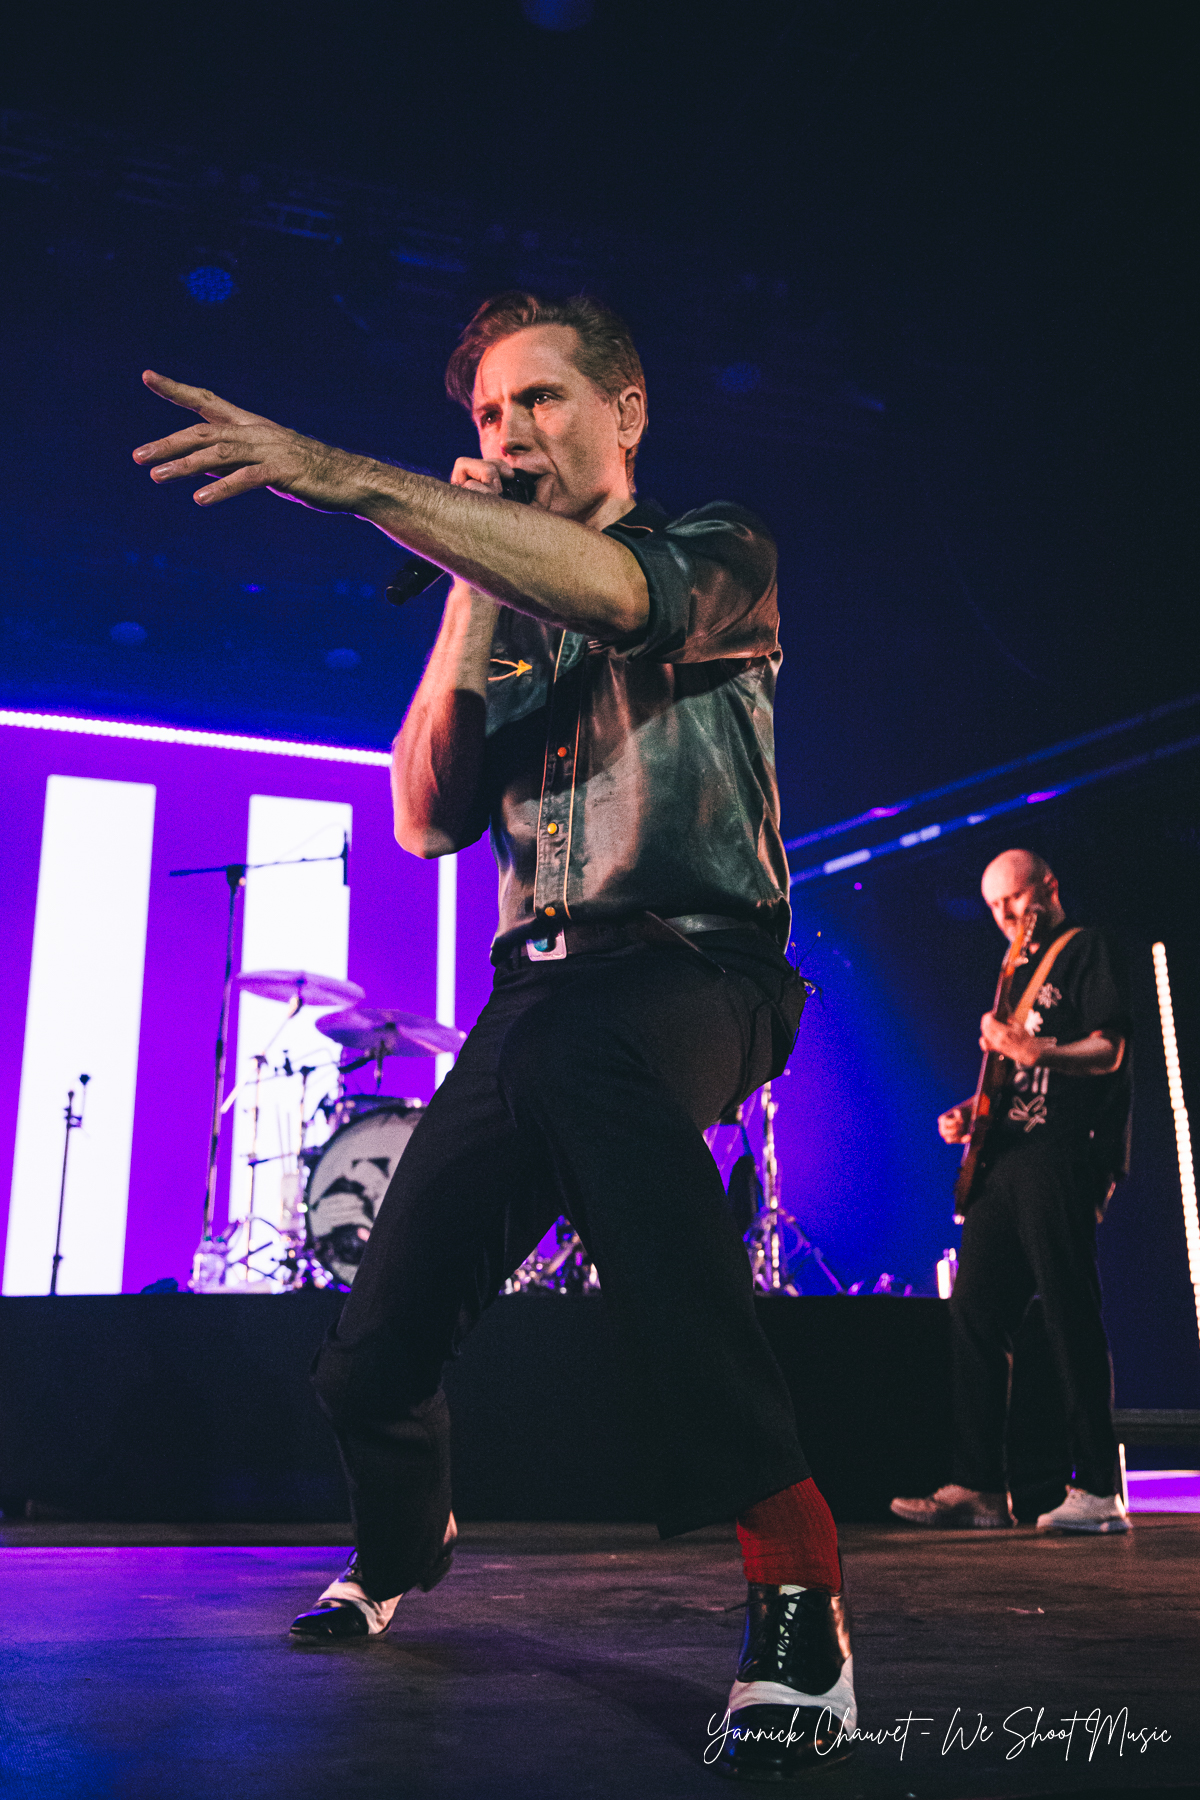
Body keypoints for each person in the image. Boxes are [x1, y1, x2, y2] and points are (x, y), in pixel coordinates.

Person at [135, 292, 857, 1777]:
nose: (508, 432)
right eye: (484, 416)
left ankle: (800, 1589)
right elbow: (422, 818)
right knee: (368, 1357)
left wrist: (359, 484)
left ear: (626, 412)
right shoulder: (510, 615)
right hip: (535, 996)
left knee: (597, 1066)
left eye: (539, 401)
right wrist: (461, 574)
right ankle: (403, 1546)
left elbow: (616, 596)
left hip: (699, 969)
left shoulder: (722, 550)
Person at [891, 848, 1132, 1534]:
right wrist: (973, 1114)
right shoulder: (1013, 974)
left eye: (1015, 901)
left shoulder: (1086, 949)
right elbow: (1017, 1076)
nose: (1005, 918)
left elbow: (1109, 1049)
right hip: (1008, 1156)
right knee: (974, 1309)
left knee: (1068, 1310)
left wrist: (1036, 1052)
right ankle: (979, 1487)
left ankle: (1097, 1488)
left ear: (1048, 888)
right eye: (994, 907)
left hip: (1062, 1154)